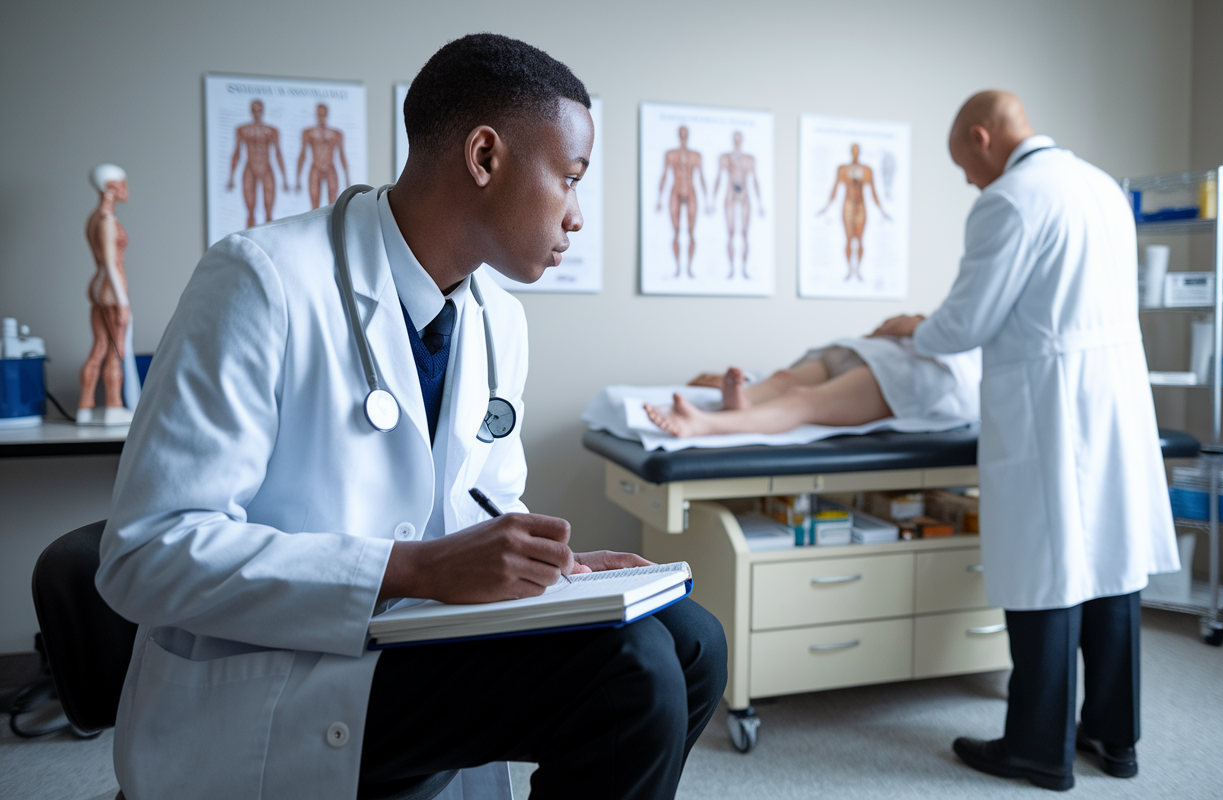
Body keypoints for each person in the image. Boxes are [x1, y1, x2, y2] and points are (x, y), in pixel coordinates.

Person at [97, 34, 726, 800]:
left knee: (692, 642)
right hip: (281, 675)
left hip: (415, 641)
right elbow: (146, 554)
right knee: (630, 674)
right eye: (569, 178)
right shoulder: (261, 280)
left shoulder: (499, 318)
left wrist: (557, 574)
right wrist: (413, 569)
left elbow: (479, 505)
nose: (576, 217)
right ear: (485, 158)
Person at [875, 90, 1178, 791]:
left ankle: (1037, 748)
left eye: (964, 165)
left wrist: (913, 328)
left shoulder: (1010, 199)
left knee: (1048, 573)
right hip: (1116, 398)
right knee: (1112, 567)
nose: (968, 181)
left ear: (982, 137)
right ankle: (1113, 737)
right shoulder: (1102, 187)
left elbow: (965, 324)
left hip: (1053, 406)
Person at [645, 335, 979, 438]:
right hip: (880, 347)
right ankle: (744, 401)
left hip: (921, 368)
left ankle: (705, 423)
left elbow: (960, 328)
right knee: (784, 380)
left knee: (804, 400)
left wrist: (921, 327)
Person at [79, 164, 136, 425]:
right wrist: (123, 303)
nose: (126, 189)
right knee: (115, 349)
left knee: (101, 346)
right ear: (111, 187)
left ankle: (85, 406)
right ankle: (113, 405)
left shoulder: (94, 217)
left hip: (99, 286)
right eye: (122, 183)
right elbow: (112, 264)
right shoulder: (106, 220)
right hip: (111, 289)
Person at [818, 143, 889, 281]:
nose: (855, 153)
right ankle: (850, 269)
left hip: (861, 206)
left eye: (857, 150)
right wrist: (826, 207)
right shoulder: (843, 169)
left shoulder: (867, 170)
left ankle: (858, 270)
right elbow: (835, 189)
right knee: (849, 239)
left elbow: (874, 191)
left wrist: (882, 211)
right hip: (848, 206)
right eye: (853, 150)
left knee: (860, 239)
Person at [227, 98, 289, 227]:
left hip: (267, 169)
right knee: (250, 213)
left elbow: (278, 154)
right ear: (251, 111)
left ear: (263, 111)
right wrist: (231, 177)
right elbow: (237, 153)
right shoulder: (242, 130)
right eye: (254, 109)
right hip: (250, 168)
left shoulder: (272, 131)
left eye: (259, 109)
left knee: (269, 214)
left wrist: (284, 179)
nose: (257, 112)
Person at [709, 131, 763, 278]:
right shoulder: (725, 158)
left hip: (745, 195)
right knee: (731, 233)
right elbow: (718, 178)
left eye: (739, 138)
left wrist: (760, 203)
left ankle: (744, 269)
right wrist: (712, 201)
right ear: (733, 140)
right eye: (735, 138)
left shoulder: (749, 159)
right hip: (730, 195)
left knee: (745, 234)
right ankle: (732, 269)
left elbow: (755, 180)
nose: (737, 140)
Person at [656, 125, 706, 277]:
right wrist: (659, 198)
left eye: (685, 133)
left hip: (690, 191)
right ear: (678, 134)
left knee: (691, 231)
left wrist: (708, 199)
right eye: (681, 133)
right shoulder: (671, 154)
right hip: (675, 191)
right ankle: (678, 268)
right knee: (676, 231)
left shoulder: (695, 156)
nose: (683, 135)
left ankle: (689, 268)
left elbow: (702, 177)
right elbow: (664, 175)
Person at [296, 102, 350, 210]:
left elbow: (342, 155)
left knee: (333, 205)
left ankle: (332, 226)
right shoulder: (308, 133)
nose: (321, 117)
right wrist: (298, 178)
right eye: (319, 114)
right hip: (315, 168)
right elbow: (303, 154)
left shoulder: (336, 134)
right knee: (314, 205)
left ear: (326, 114)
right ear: (316, 114)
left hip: (330, 168)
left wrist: (347, 177)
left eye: (323, 114)